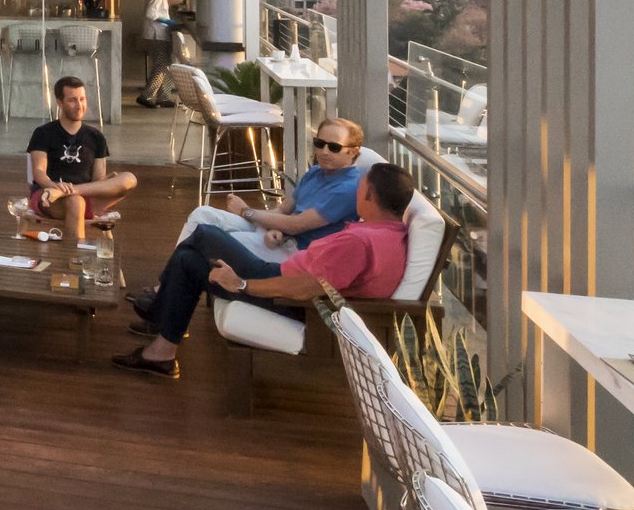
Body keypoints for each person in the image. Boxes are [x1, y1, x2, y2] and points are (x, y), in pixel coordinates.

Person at [111, 161, 416, 379]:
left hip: (285, 296)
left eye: (360, 189)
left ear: (370, 196)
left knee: (204, 234)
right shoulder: (388, 234)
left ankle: (158, 314)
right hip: (284, 279)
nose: (356, 194)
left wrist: (242, 284)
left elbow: (305, 288)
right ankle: (162, 353)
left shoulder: (360, 243)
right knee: (189, 260)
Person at [172, 115, 370, 266]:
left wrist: (246, 211)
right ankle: (167, 283)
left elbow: (296, 225)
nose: (324, 151)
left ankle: (171, 287)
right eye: (320, 144)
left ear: (353, 151)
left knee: (209, 240)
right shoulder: (316, 172)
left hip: (296, 252)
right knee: (203, 214)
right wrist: (274, 228)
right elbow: (283, 210)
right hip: (280, 237)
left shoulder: (348, 189)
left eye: (334, 147)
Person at [24, 76, 138, 242]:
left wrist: (107, 181)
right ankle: (74, 256)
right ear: (59, 102)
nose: (79, 105)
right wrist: (53, 187)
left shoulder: (96, 137)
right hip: (48, 198)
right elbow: (38, 172)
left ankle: (73, 191)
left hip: (86, 197)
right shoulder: (43, 133)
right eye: (72, 100)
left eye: (82, 99)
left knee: (129, 178)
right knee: (75, 202)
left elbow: (98, 180)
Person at [133, 0, 186, 107]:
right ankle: (146, 96)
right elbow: (150, 13)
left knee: (166, 65)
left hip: (161, 36)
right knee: (161, 66)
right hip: (156, 36)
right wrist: (168, 22)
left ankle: (164, 97)